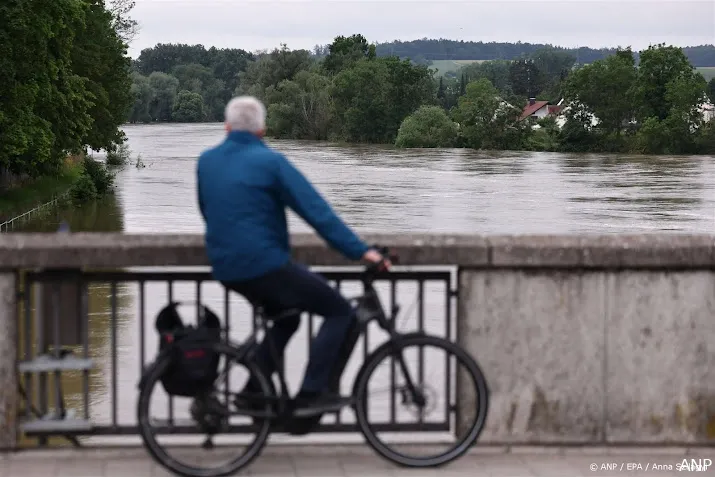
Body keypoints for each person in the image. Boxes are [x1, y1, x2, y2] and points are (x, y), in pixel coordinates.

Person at [196, 96, 389, 433]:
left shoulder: (206, 161)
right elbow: (317, 213)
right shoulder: (271, 162)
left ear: (226, 127)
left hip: (226, 268)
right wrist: (363, 252)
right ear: (262, 130)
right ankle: (311, 395)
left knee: (289, 318)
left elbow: (208, 209)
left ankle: (252, 390)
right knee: (339, 310)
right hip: (265, 265)